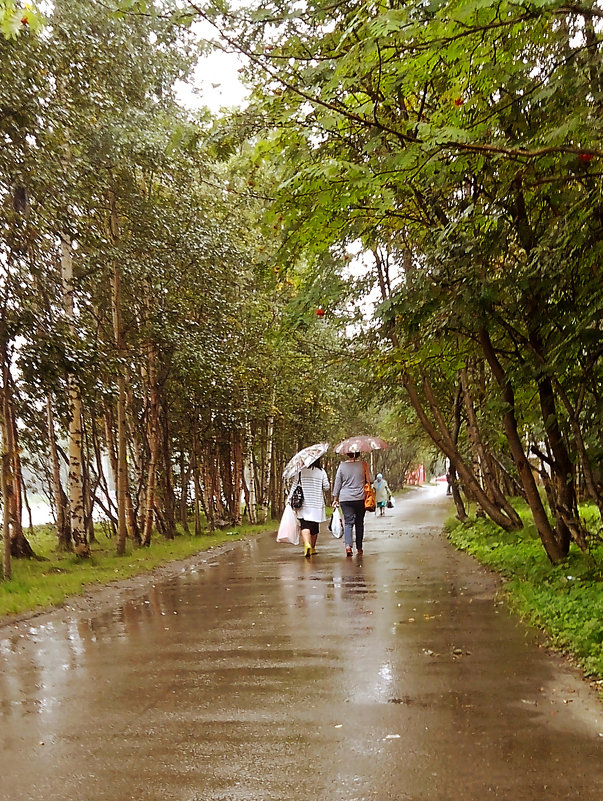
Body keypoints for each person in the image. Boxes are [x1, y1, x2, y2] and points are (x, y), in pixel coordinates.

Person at [332, 451, 373, 557]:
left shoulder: (342, 466)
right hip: (360, 498)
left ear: (347, 454)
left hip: (345, 499)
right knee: (359, 523)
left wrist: (335, 498)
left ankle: (348, 547)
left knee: (348, 523)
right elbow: (371, 479)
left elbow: (338, 483)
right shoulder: (363, 465)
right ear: (358, 454)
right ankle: (359, 548)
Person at [289, 458, 330, 558]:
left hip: (303, 503)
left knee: (304, 525)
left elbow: (294, 486)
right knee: (314, 527)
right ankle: (312, 547)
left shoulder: (300, 471)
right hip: (316, 503)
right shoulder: (321, 472)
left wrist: (289, 499)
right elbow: (326, 487)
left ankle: (306, 544)